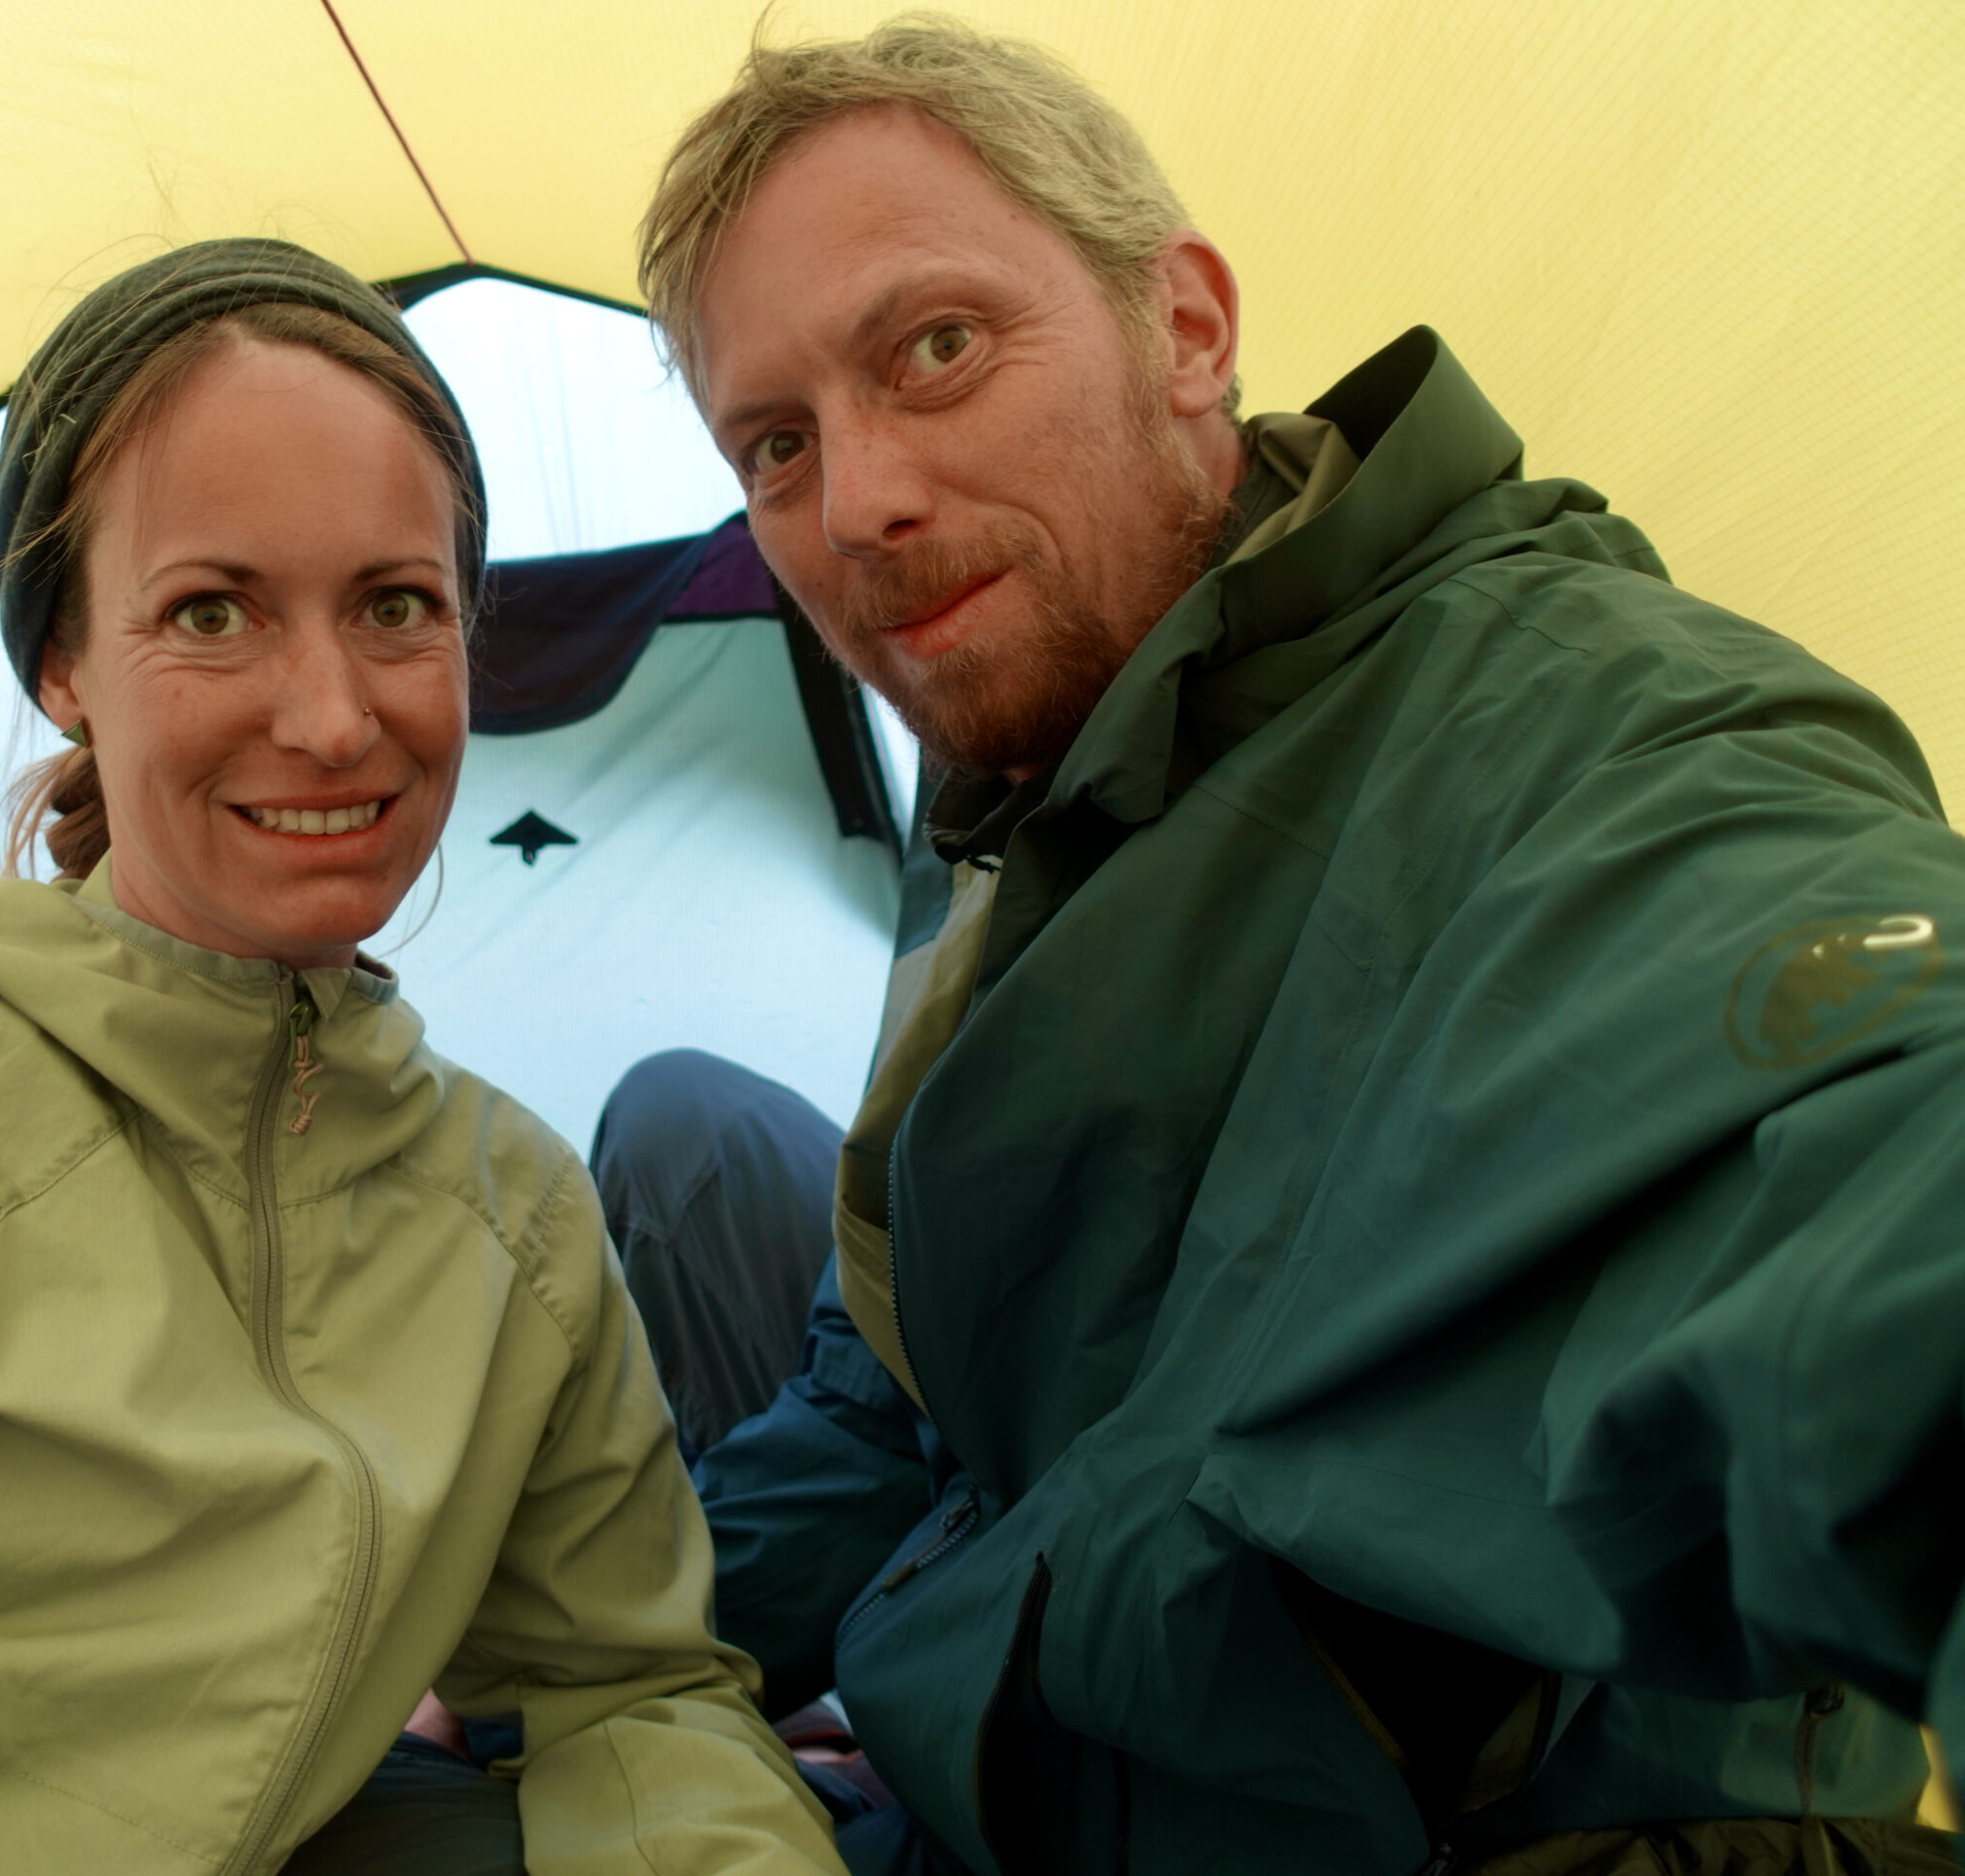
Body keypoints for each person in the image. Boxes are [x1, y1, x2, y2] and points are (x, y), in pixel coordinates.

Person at [600, 19, 1965, 1876]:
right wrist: (565, 1658)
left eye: (935, 347)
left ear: (1186, 331)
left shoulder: (1577, 726)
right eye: (776, 444)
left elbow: (1858, 1126)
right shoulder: (1023, 787)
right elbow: (885, 1390)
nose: (858, 507)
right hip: (977, 1743)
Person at [0, 238, 847, 1876]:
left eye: (394, 605)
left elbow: (628, 1689)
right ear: (61, 663)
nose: (331, 717)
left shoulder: (516, 1226)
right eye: (211, 612)